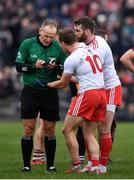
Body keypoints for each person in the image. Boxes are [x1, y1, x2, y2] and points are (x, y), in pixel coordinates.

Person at [48, 28, 107, 174]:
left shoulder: (72, 58)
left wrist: (48, 84)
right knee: (89, 133)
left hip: (88, 94)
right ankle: (95, 166)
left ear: (63, 43)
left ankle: (75, 166)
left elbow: (63, 83)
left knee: (67, 130)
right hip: (101, 93)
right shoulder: (91, 51)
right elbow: (81, 76)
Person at [15, 19, 67, 172]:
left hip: (50, 91)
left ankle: (50, 165)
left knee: (50, 129)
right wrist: (33, 66)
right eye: (46, 36)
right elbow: (18, 67)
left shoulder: (58, 47)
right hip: (30, 91)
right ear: (39, 31)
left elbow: (64, 69)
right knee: (28, 128)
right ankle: (26, 165)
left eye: (51, 36)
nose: (48, 39)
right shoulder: (27, 44)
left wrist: (55, 67)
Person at [73, 16, 122, 173]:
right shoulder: (86, 44)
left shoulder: (98, 45)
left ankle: (102, 165)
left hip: (110, 88)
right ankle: (91, 163)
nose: (75, 33)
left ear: (87, 31)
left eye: (77, 30)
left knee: (103, 129)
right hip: (97, 89)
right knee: (89, 129)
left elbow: (94, 71)